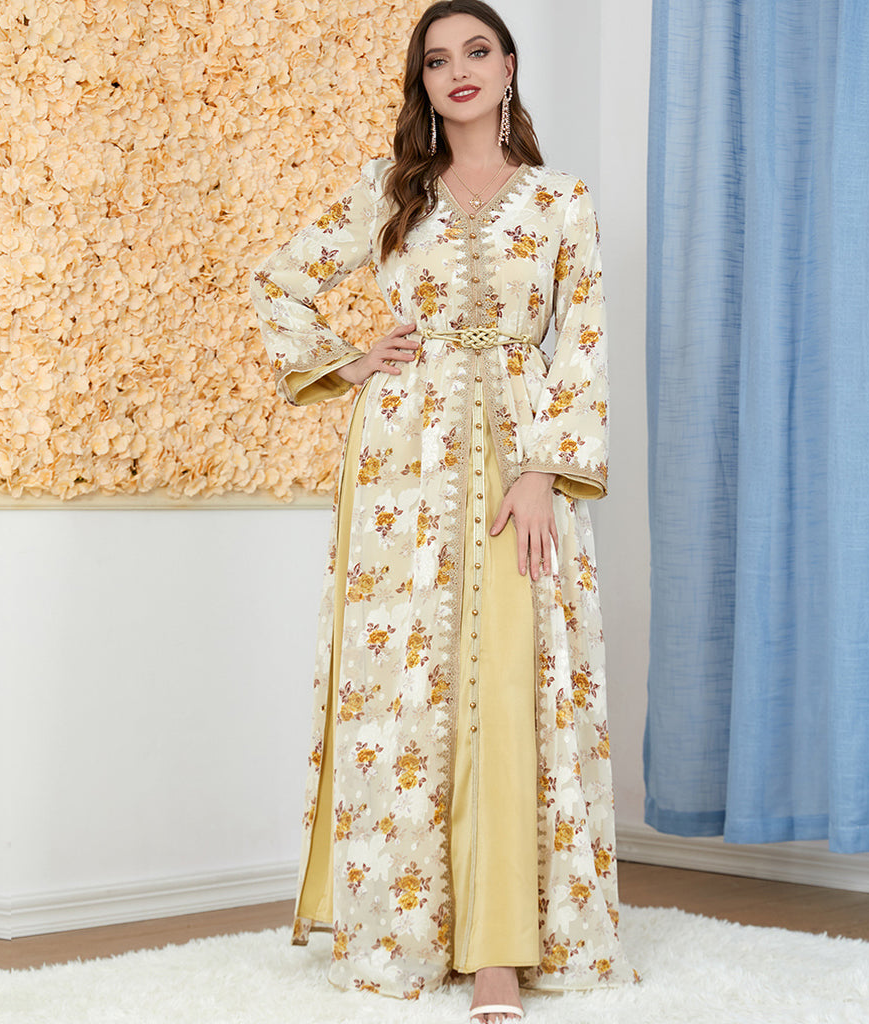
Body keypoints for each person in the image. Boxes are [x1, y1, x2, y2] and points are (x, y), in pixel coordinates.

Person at [250, 3, 634, 1020]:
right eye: (435, 59)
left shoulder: (559, 201)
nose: (457, 70)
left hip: (521, 456)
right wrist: (350, 360)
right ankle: (410, 928)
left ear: (508, 66)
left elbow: (582, 341)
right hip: (402, 469)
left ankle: (503, 947)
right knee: (409, 683)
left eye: (476, 51)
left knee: (513, 679)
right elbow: (277, 282)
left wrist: (543, 470)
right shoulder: (390, 192)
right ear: (421, 82)